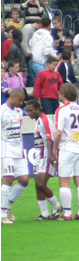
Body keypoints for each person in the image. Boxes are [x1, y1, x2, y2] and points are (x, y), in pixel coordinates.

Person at [53, 83, 79, 220]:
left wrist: (55, 148)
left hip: (68, 148)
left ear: (63, 95)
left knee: (64, 180)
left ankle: (67, 212)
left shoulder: (62, 110)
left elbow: (58, 132)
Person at [24, 99, 62, 220]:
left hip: (46, 156)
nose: (29, 113)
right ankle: (44, 213)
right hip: (38, 157)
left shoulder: (45, 120)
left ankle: (56, 205)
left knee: (41, 184)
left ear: (38, 109)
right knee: (37, 185)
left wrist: (51, 154)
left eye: (31, 110)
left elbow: (50, 138)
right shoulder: (38, 121)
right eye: (27, 111)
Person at [1, 88, 28, 224]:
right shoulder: (1, 111)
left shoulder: (19, 112)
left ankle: (8, 203)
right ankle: (2, 213)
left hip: (18, 150)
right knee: (8, 179)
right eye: (20, 100)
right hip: (6, 150)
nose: (21, 103)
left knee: (24, 180)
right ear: (13, 97)